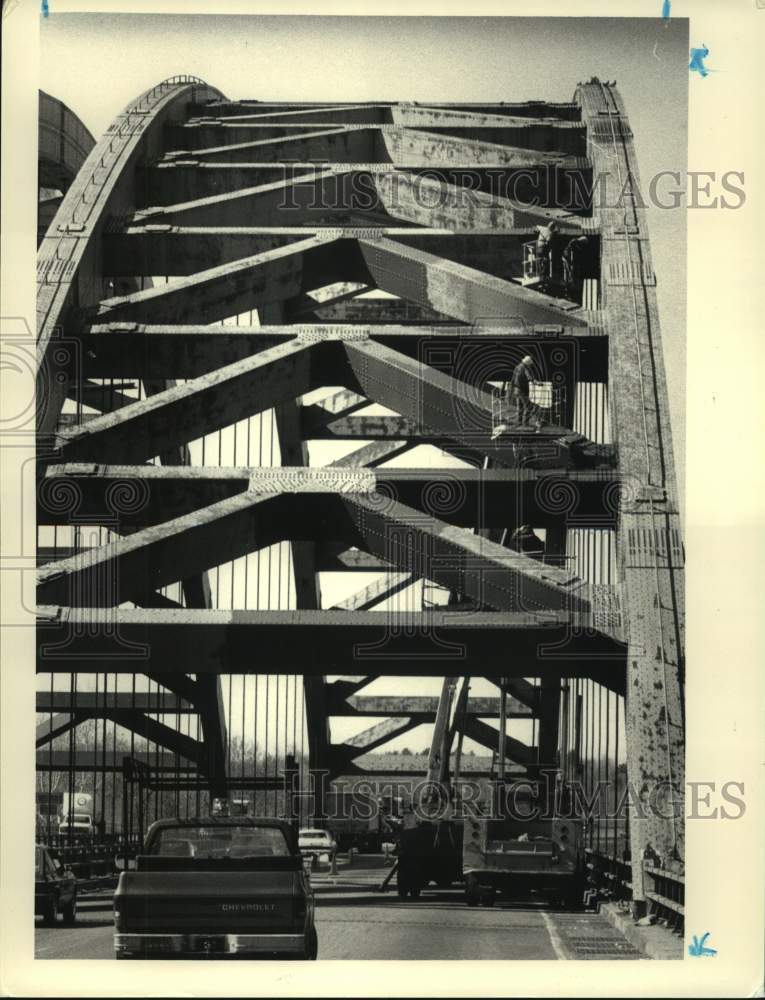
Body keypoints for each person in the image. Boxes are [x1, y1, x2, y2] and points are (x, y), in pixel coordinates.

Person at [492, 355, 541, 438]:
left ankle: (519, 422)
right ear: (528, 363)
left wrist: (510, 389)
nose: (530, 365)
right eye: (530, 364)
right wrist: (536, 382)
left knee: (520, 407)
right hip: (522, 391)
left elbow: (513, 379)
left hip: (516, 390)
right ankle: (525, 423)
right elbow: (529, 377)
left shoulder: (517, 367)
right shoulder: (525, 368)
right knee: (528, 406)